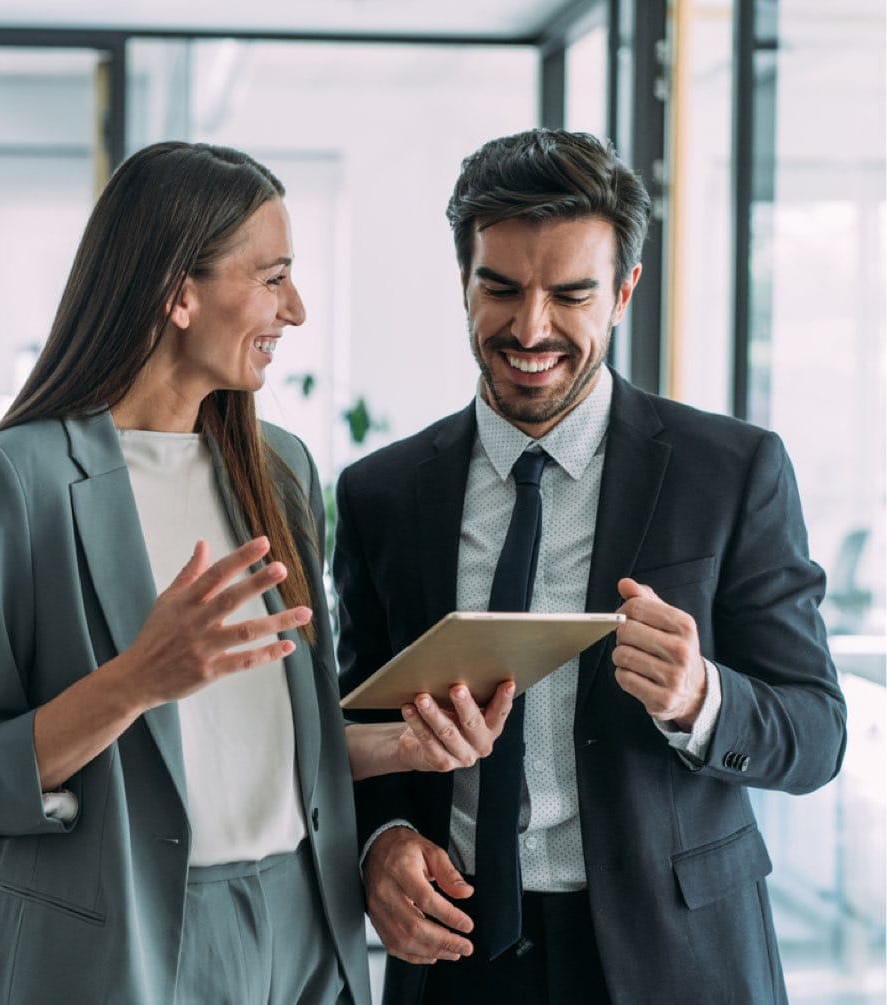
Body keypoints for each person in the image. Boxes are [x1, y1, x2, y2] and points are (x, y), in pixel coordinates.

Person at [0, 141, 515, 1005]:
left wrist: (399, 745)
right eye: (272, 277)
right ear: (177, 293)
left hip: (299, 931)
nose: (295, 309)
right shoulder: (16, 482)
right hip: (118, 945)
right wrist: (136, 681)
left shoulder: (280, 469)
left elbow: (260, 742)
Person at [334, 128, 847, 1005]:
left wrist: (701, 697)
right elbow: (354, 721)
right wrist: (380, 840)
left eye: (570, 294)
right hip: (457, 957)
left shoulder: (731, 471)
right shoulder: (382, 492)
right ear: (463, 281)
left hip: (674, 957)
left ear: (623, 292)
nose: (530, 329)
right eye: (500, 289)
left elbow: (817, 732)